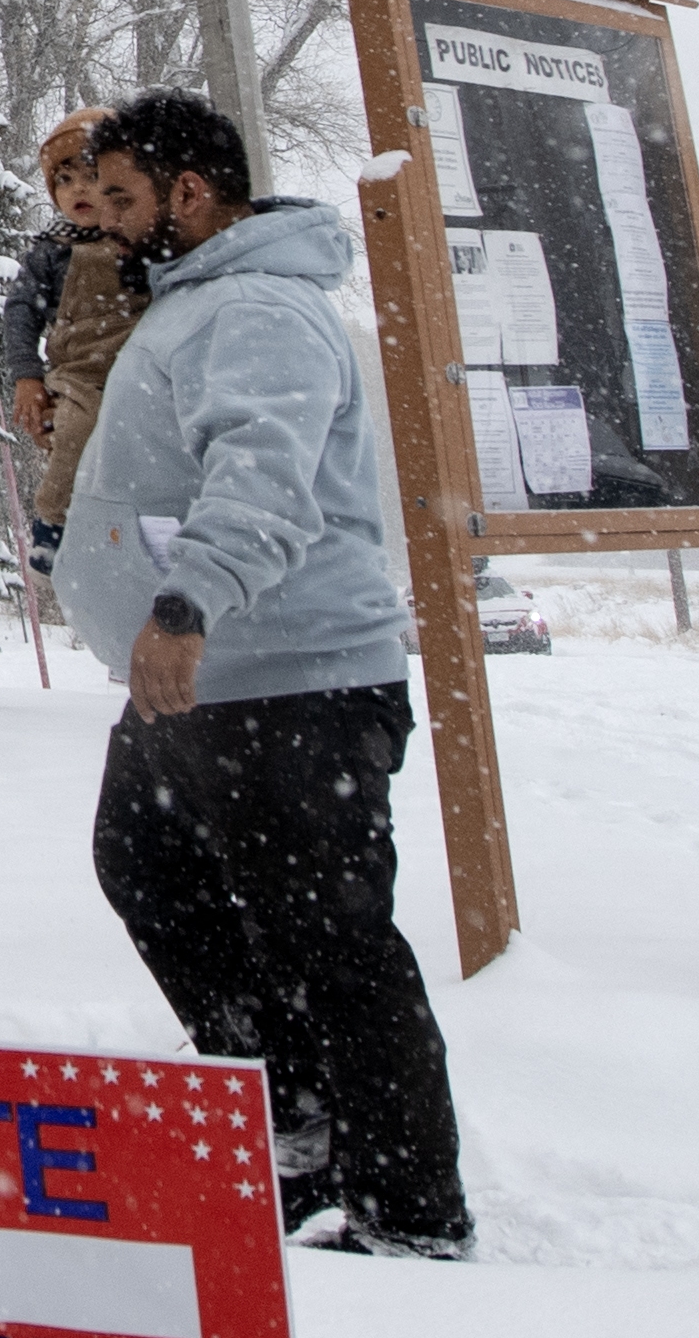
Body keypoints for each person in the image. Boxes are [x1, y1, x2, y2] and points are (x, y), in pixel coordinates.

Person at [50, 88, 473, 1257]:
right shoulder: (195, 306)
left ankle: (410, 1212)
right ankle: (296, 1125)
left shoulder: (260, 309)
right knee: (147, 868)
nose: (111, 222)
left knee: (328, 939)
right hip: (210, 683)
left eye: (129, 199)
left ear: (193, 193)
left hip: (291, 680)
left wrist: (185, 606)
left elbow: (263, 471)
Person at [0, 114, 152, 558]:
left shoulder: (141, 243)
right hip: (79, 375)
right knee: (74, 435)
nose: (79, 189)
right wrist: (27, 376)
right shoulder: (51, 251)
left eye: (92, 176)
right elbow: (20, 311)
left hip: (142, 365)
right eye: (65, 180)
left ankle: (145, 533)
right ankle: (55, 523)